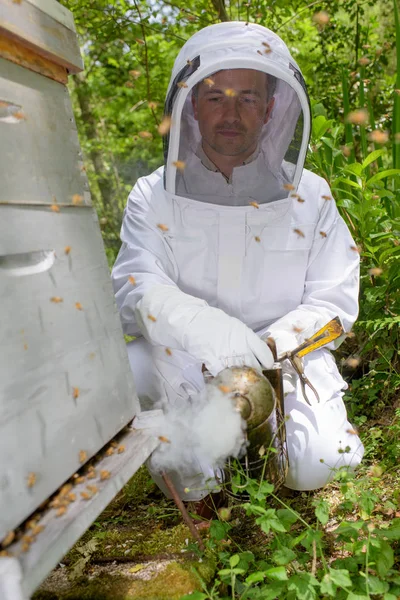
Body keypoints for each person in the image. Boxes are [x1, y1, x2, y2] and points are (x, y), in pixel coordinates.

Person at [111, 21, 364, 508]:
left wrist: (269, 345)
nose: (231, 113)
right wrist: (210, 333)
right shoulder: (151, 194)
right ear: (191, 107)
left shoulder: (310, 194)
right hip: (182, 358)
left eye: (248, 98)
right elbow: (136, 287)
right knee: (140, 388)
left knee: (316, 464)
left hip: (285, 361)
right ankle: (202, 479)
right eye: (215, 97)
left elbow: (334, 299)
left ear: (271, 109)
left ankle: (273, 448)